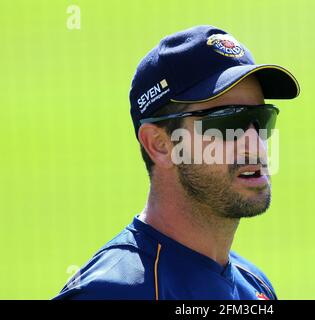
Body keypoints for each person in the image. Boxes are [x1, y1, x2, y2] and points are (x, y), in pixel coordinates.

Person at [53, 25, 300, 300]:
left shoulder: (255, 287)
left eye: (263, 119)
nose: (255, 144)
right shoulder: (109, 292)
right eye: (227, 121)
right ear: (160, 145)